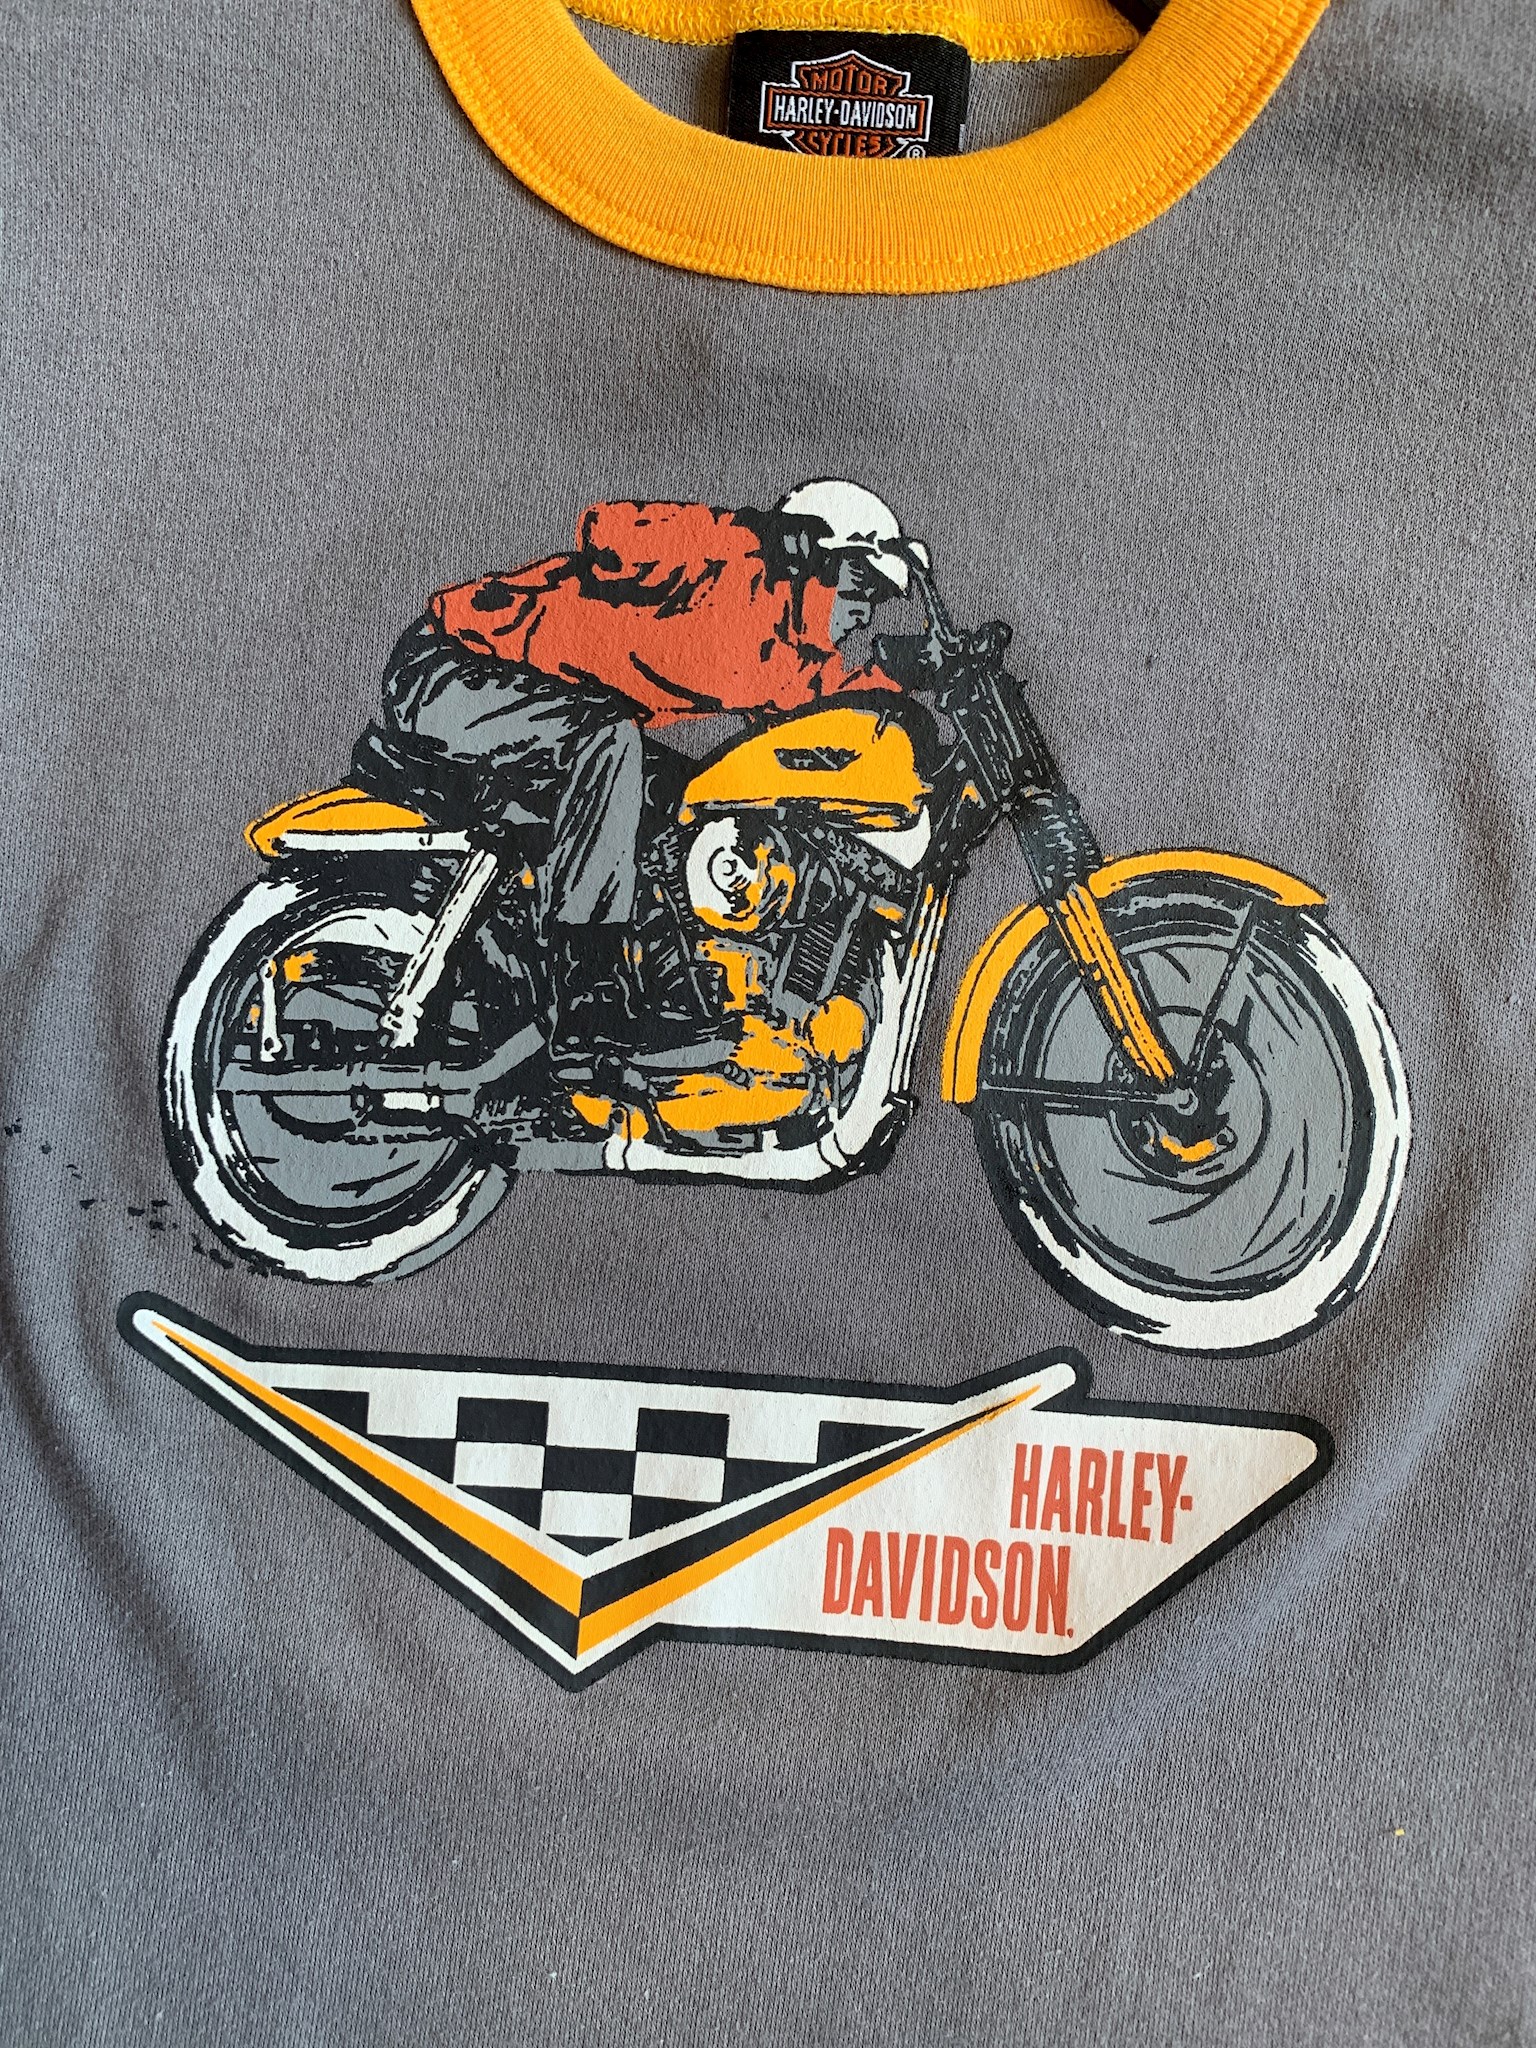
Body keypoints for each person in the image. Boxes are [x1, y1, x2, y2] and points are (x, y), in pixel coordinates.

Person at [351, 480, 941, 1063]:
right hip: (451, 670)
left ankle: (667, 989)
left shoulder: (788, 657)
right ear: (810, 558)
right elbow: (604, 532)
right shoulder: (722, 564)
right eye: (858, 587)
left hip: (549, 713)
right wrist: (754, 534)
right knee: (609, 742)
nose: (863, 612)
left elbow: (830, 710)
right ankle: (586, 995)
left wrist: (907, 669)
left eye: (876, 599)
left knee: (686, 802)